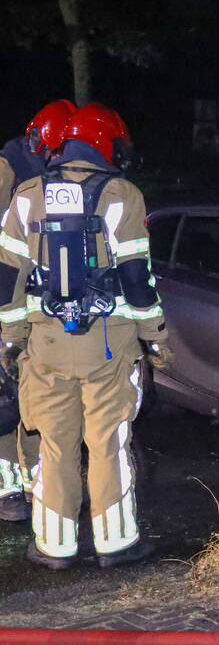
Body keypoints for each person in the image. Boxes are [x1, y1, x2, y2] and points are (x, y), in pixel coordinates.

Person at [0, 102, 172, 569]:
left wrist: (12, 338)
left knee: (54, 445)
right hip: (108, 346)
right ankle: (116, 543)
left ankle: (54, 548)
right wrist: (155, 336)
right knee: (108, 443)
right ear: (106, 143)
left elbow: (7, 278)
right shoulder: (123, 195)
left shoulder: (27, 194)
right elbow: (138, 277)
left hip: (45, 345)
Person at [0, 100, 76, 522]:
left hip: (36, 302)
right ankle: (9, 489)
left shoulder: (55, 174)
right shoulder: (10, 165)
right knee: (5, 401)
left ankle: (37, 483)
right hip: (7, 294)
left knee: (32, 396)